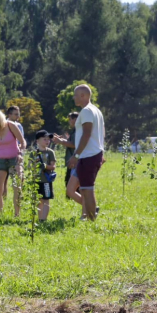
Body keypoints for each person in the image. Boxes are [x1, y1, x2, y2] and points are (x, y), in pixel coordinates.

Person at [66, 85, 105, 221]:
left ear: (83, 95)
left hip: (88, 155)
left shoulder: (87, 111)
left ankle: (91, 220)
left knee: (87, 190)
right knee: (84, 189)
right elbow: (100, 134)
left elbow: (87, 134)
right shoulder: (96, 110)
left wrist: (76, 155)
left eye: (75, 95)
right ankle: (90, 217)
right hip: (93, 154)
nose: (73, 97)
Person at [53, 112, 86, 218]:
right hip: (76, 161)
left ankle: (90, 208)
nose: (69, 122)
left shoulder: (78, 130)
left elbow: (74, 145)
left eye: (71, 119)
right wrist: (63, 140)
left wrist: (61, 141)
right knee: (75, 188)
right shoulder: (76, 131)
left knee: (77, 188)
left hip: (77, 162)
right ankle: (89, 207)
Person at [34, 130, 56, 222]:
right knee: (39, 200)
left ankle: (44, 219)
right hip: (37, 181)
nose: (47, 141)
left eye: (48, 139)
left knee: (46, 200)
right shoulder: (34, 153)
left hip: (46, 181)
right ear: (37, 141)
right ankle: (40, 219)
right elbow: (30, 166)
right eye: (44, 139)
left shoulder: (50, 152)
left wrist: (46, 166)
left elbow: (53, 166)